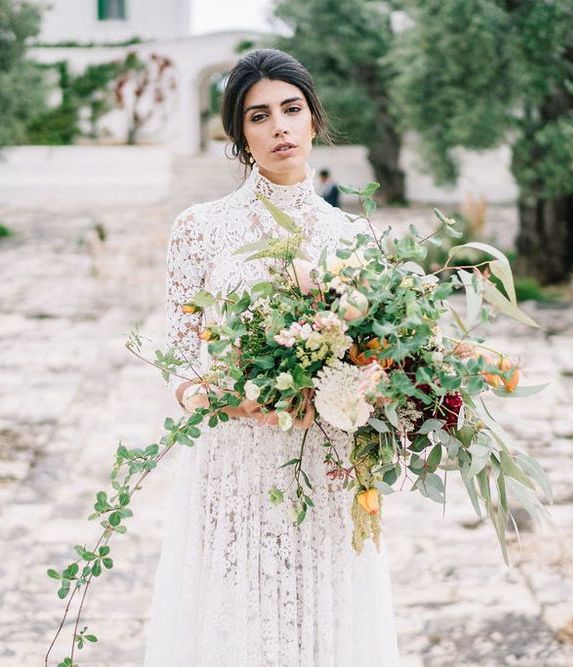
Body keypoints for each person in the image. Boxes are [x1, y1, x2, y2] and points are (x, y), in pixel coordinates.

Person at [142, 48, 401, 666]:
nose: (279, 127)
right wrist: (218, 396)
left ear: (315, 119)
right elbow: (180, 356)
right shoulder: (199, 228)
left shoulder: (356, 236)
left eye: (291, 109)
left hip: (328, 460)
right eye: (259, 116)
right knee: (235, 619)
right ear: (240, 135)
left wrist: (364, 393)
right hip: (234, 458)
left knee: (321, 623)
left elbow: (383, 356)